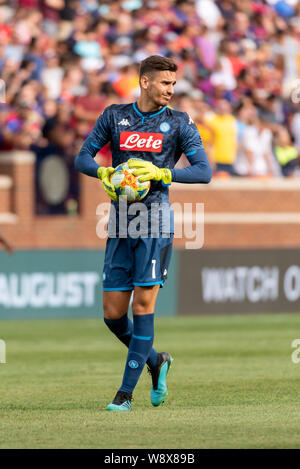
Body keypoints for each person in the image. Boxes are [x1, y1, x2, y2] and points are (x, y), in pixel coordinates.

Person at [75, 55, 212, 411]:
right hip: (120, 222)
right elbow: (83, 158)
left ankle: (124, 394)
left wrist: (163, 174)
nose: (171, 89)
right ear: (145, 82)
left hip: (155, 223)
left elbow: (203, 172)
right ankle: (156, 361)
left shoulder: (179, 122)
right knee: (112, 314)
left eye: (173, 83)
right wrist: (105, 173)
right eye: (165, 83)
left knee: (143, 304)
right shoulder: (114, 116)